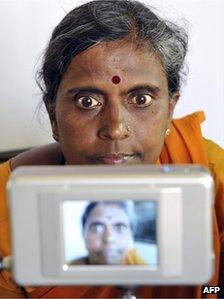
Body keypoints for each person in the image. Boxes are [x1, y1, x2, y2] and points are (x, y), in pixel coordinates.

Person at [0, 0, 223, 297]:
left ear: (170, 110)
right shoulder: (6, 211)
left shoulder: (208, 175)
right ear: (54, 116)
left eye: (141, 99)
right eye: (87, 101)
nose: (116, 128)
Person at [70, 201, 146, 265]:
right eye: (97, 228)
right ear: (84, 235)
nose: (109, 238)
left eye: (120, 227)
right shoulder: (67, 275)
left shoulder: (143, 270)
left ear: (131, 236)